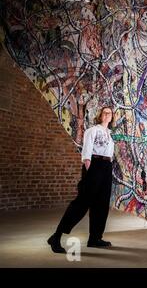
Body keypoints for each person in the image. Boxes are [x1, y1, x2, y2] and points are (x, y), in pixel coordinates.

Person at [47, 106, 115, 253]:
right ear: (100, 115)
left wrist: (106, 171)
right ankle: (56, 236)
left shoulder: (110, 134)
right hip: (94, 165)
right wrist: (90, 173)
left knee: (101, 205)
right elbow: (86, 154)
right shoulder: (92, 130)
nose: (107, 115)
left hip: (106, 167)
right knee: (82, 203)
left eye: (110, 113)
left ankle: (95, 238)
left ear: (112, 117)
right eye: (104, 112)